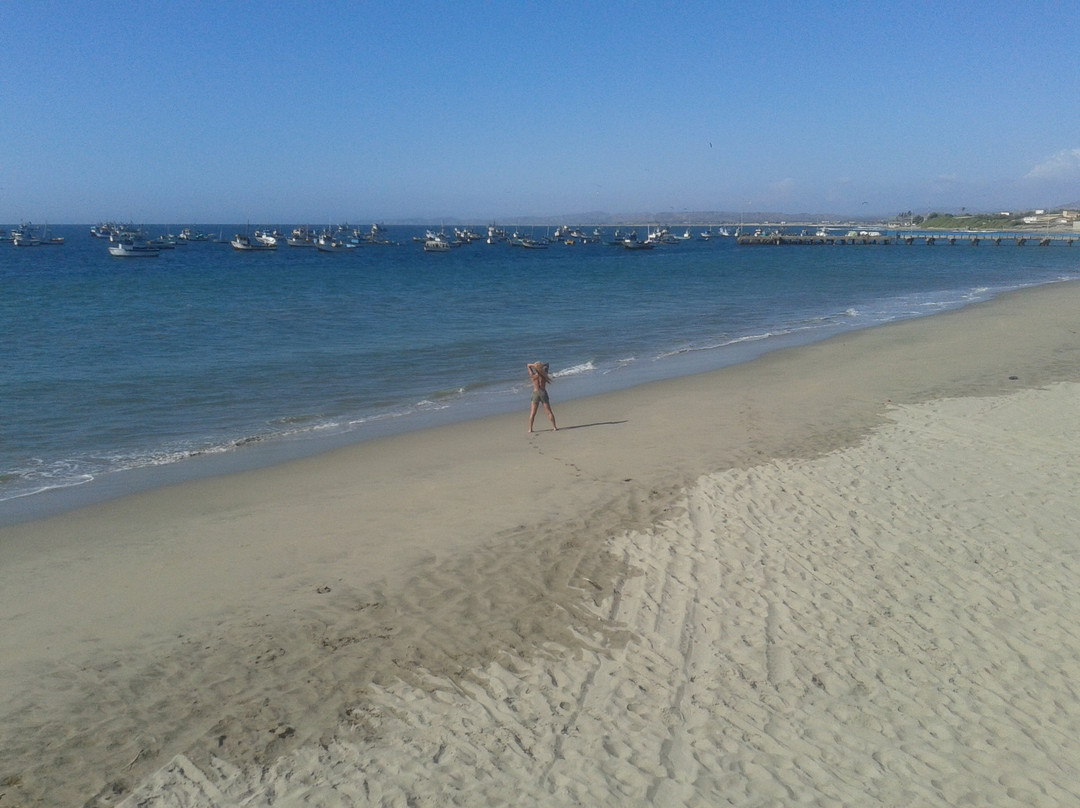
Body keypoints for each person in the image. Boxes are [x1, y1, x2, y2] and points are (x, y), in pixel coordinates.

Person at [527, 361, 557, 433]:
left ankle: (530, 429)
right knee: (549, 412)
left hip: (536, 393)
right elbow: (547, 364)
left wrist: (534, 365)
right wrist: (541, 365)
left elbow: (528, 365)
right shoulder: (544, 375)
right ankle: (554, 427)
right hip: (543, 393)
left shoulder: (533, 376)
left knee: (533, 413)